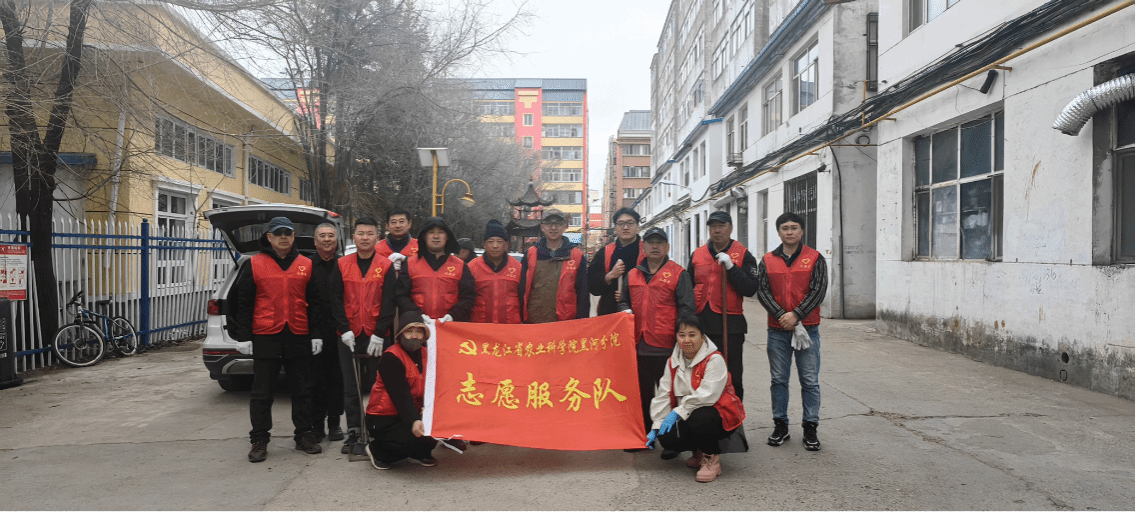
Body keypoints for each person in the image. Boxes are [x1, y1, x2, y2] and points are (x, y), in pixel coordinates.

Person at [233, 216, 324, 463]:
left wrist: (316, 334)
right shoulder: (254, 264)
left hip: (298, 334)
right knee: (262, 393)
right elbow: (244, 303)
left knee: (302, 390)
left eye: (288, 233)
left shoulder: (306, 263)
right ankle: (259, 440)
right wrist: (244, 336)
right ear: (269, 237)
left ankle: (304, 435)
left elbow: (315, 303)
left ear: (293, 236)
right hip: (266, 335)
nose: (283, 237)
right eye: (278, 233)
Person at [754, 212, 827, 451]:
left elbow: (818, 290)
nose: (789, 232)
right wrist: (781, 315)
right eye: (784, 228)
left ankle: (810, 427)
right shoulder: (767, 260)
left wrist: (796, 314)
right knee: (778, 380)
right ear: (778, 232)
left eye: (794, 227)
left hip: (808, 328)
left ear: (802, 231)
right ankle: (781, 425)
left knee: (809, 380)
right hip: (777, 330)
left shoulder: (815, 258)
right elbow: (763, 291)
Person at [645, 316, 745, 483]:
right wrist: (657, 424)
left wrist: (677, 413)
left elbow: (708, 395)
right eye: (682, 335)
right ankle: (698, 451)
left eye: (692, 335)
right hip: (689, 414)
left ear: (702, 337)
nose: (686, 340)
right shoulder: (672, 362)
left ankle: (711, 457)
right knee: (666, 437)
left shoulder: (714, 359)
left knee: (700, 416)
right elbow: (663, 394)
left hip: (719, 416)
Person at [617, 226, 695, 440]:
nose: (655, 246)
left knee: (668, 394)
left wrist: (683, 342)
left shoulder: (678, 273)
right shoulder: (633, 274)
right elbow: (623, 300)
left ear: (667, 247)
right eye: (651, 242)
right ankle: (644, 434)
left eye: (659, 243)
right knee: (642, 393)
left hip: (666, 346)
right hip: (638, 344)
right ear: (643, 247)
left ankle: (670, 439)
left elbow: (687, 310)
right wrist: (624, 309)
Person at [328, 217, 397, 454]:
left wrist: (380, 333)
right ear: (354, 237)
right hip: (349, 335)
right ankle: (354, 431)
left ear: (377, 237)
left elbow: (389, 301)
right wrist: (344, 329)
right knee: (351, 386)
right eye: (361, 233)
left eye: (370, 233)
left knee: (380, 385)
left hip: (377, 335)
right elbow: (335, 299)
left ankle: (378, 430)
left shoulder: (385, 265)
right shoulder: (342, 264)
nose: (365, 238)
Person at [688, 210, 759, 400]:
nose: (717, 230)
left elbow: (751, 288)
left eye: (721, 226)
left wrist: (732, 268)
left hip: (730, 325)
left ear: (731, 228)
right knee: (701, 374)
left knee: (731, 376)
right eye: (713, 226)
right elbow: (688, 287)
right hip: (702, 324)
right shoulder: (697, 254)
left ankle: (734, 414)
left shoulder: (743, 255)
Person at [363, 311, 440, 470]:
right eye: (409, 331)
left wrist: (429, 411)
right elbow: (400, 394)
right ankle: (377, 451)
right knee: (405, 441)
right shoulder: (391, 357)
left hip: (414, 410)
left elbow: (434, 386)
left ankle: (420, 452)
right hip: (384, 416)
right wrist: (414, 420)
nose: (414, 336)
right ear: (400, 334)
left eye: (419, 332)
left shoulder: (429, 355)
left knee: (437, 429)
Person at [396, 217, 476, 323]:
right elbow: (401, 296)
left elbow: (468, 297)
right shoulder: (410, 264)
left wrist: (453, 315)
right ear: (424, 236)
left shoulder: (460, 266)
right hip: (417, 327)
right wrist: (416, 314)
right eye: (431, 232)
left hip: (450, 326)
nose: (436, 236)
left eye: (441, 232)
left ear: (447, 236)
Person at [518, 208, 589, 323]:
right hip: (535, 319)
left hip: (565, 322)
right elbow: (522, 288)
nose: (553, 227)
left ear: (565, 226)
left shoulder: (576, 255)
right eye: (549, 223)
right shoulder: (531, 254)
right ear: (542, 227)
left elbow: (583, 293)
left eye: (558, 223)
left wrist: (582, 322)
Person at [309, 222, 345, 443]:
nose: (327, 239)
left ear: (336, 240)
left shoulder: (344, 264)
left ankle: (334, 424)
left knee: (337, 380)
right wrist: (312, 333)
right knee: (315, 381)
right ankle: (316, 425)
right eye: (322, 235)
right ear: (315, 241)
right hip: (313, 333)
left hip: (339, 332)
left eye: (331, 235)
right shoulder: (306, 265)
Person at [589, 207, 643, 316]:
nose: (625, 227)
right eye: (621, 224)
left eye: (630, 223)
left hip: (641, 314)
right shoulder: (605, 253)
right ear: (615, 228)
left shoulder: (647, 252)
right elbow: (592, 286)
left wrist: (629, 295)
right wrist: (610, 276)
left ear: (638, 226)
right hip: (610, 315)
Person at [468, 219, 522, 324]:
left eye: (499, 242)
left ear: (506, 245)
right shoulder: (472, 267)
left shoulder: (518, 267)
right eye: (490, 241)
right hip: (480, 327)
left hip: (510, 327)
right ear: (484, 244)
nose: (495, 246)